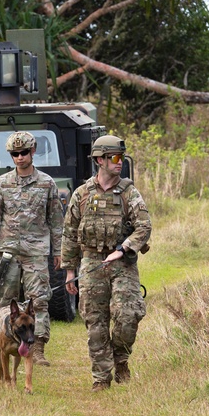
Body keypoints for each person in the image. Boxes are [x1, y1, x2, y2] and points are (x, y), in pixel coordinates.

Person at [61, 135, 151, 391]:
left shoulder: (129, 193)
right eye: (114, 157)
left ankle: (120, 359)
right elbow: (69, 232)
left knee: (128, 315)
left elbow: (144, 227)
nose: (119, 162)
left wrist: (122, 249)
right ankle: (101, 378)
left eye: (121, 157)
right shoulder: (82, 194)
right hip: (91, 264)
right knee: (95, 322)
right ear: (99, 160)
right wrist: (69, 271)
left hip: (122, 264)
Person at [0, 131, 63, 366]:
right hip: (7, 250)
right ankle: (6, 346)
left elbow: (56, 219)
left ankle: (37, 350)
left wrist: (58, 251)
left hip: (36, 251)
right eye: (14, 154)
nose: (19, 157)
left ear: (33, 152)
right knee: (6, 303)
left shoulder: (46, 183)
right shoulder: (2, 183)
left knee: (40, 300)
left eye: (24, 152)